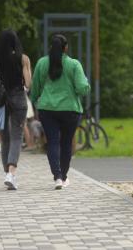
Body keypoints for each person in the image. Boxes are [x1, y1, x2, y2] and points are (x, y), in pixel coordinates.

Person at [31, 34, 90, 189]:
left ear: (51, 47)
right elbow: (82, 88)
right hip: (70, 110)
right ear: (66, 48)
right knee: (66, 143)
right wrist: (86, 82)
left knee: (53, 142)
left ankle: (56, 176)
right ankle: (63, 177)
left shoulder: (42, 63)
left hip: (47, 109)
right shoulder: (74, 64)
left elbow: (35, 88)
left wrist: (36, 100)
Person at [0, 29, 31, 190]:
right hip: (18, 97)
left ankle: (7, 172)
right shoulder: (23, 58)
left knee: (4, 137)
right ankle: (11, 174)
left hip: (0, 100)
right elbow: (28, 83)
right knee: (17, 136)